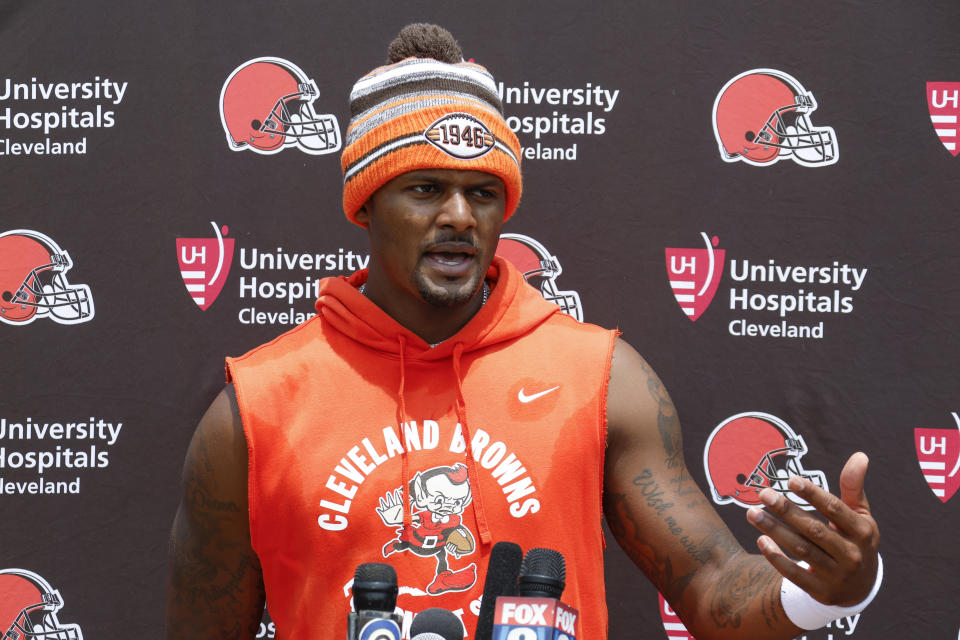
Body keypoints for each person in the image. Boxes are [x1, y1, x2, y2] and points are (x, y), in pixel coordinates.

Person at [165, 23, 881, 640]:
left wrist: (821, 589)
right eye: (424, 188)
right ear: (366, 204)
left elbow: (713, 583)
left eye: (482, 193)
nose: (458, 217)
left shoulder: (599, 377)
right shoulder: (257, 409)